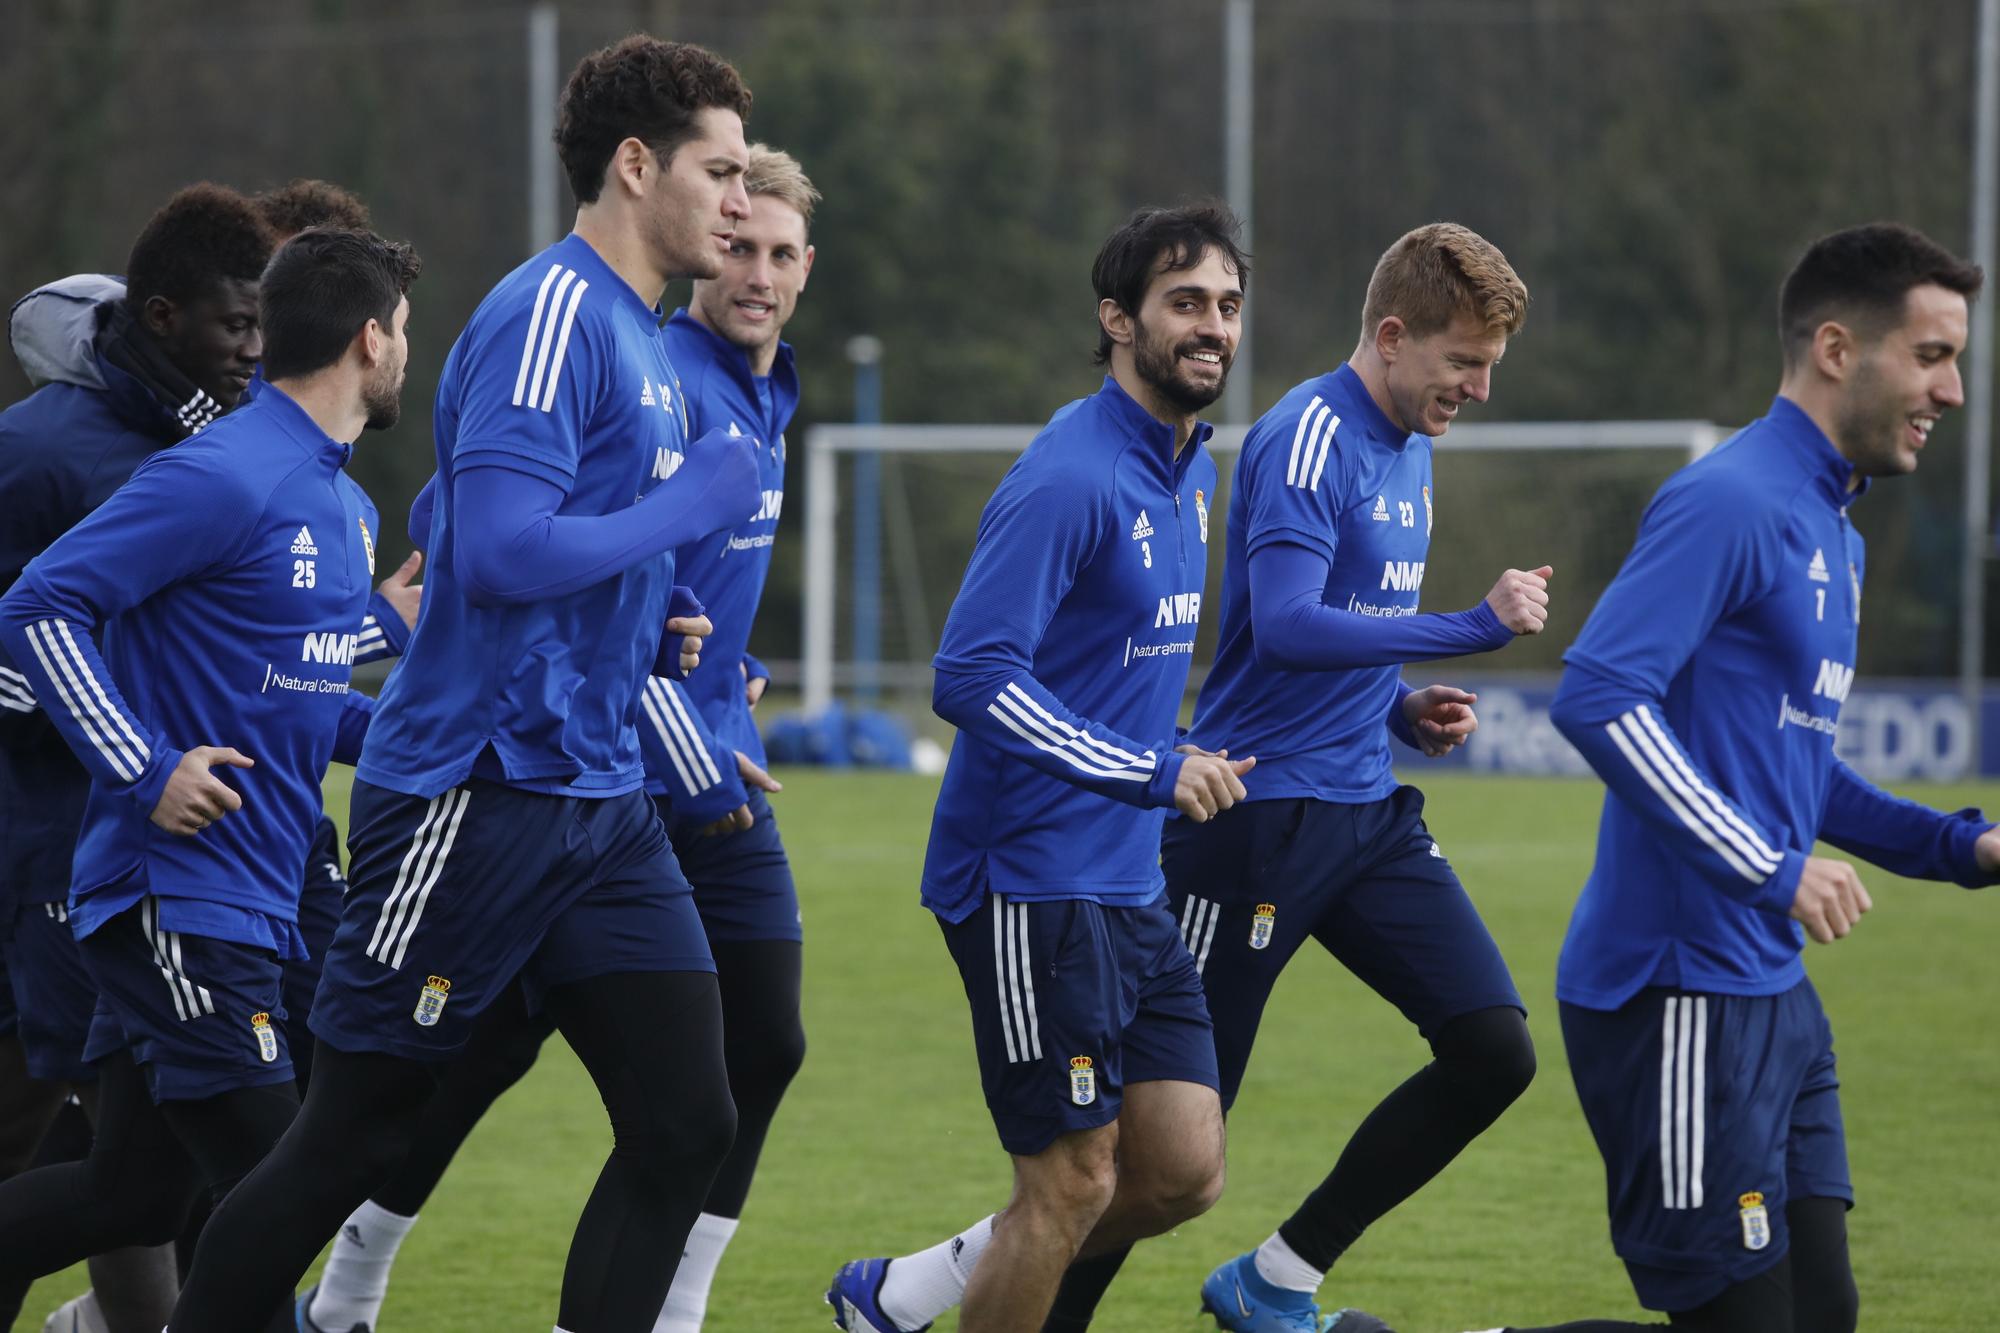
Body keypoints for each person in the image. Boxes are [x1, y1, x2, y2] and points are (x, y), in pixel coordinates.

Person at [166, 35, 764, 1333]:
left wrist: (643, 611)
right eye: (719, 171)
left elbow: (454, 503)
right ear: (633, 163)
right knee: (353, 1138)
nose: (740, 200)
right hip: (476, 792)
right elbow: (490, 549)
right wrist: (677, 518)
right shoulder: (553, 312)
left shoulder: (645, 344)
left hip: (596, 796)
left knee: (689, 1119)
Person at [297, 142, 818, 1333]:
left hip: (675, 761)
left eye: (782, 252)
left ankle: (669, 1308)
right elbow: (469, 525)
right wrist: (683, 731)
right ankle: (339, 1286)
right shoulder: (626, 346)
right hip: (594, 766)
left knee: (748, 1056)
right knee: (450, 1066)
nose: (757, 268)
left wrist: (714, 654)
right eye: (737, 241)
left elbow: (657, 591)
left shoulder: (765, 390)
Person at [1471, 222, 1992, 1333]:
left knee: (1820, 1317)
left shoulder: (1832, 533)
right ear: (1838, 349)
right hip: (1675, 993)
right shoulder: (1731, 499)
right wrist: (1771, 865)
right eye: (1933, 354)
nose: (1951, 391)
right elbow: (1598, 695)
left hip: (1771, 997)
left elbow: (1799, 774)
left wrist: (1962, 847)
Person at [1044, 223, 1546, 1333]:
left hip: (1363, 813)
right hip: (1251, 823)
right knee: (1158, 1158)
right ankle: (968, 1293)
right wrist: (1471, 624)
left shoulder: (1408, 444)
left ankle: (1276, 1277)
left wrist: (1401, 706)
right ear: (1391, 334)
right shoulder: (1306, 437)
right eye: (1461, 362)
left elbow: (1347, 636)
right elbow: (1284, 624)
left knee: (1490, 1049)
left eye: (1487, 368)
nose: (1473, 387)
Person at [828, 202, 1256, 1333]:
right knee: (1068, 1181)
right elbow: (968, 675)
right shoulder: (1067, 475)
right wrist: (1145, 769)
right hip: (1026, 879)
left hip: (1125, 883)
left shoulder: (1190, 474)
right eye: (1183, 304)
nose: (1210, 326)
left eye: (1224, 303)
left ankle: (908, 1292)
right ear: (1117, 319)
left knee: (1180, 1169)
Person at [0, 224, 420, 1333]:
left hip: (257, 904)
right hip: (175, 898)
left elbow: (302, 705)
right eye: (408, 332)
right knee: (285, 1178)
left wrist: (437, 744)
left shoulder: (342, 502)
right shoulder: (219, 472)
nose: (407, 355)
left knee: (130, 1191)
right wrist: (143, 766)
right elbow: (36, 608)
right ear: (372, 341)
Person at [0, 184, 277, 1333]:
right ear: (161, 318)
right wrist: (130, 746)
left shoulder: (222, 449)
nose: (255, 351)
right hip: (44, 854)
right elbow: (19, 648)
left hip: (153, 857)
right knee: (48, 1134)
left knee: (132, 1165)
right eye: (234, 327)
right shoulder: (37, 455)